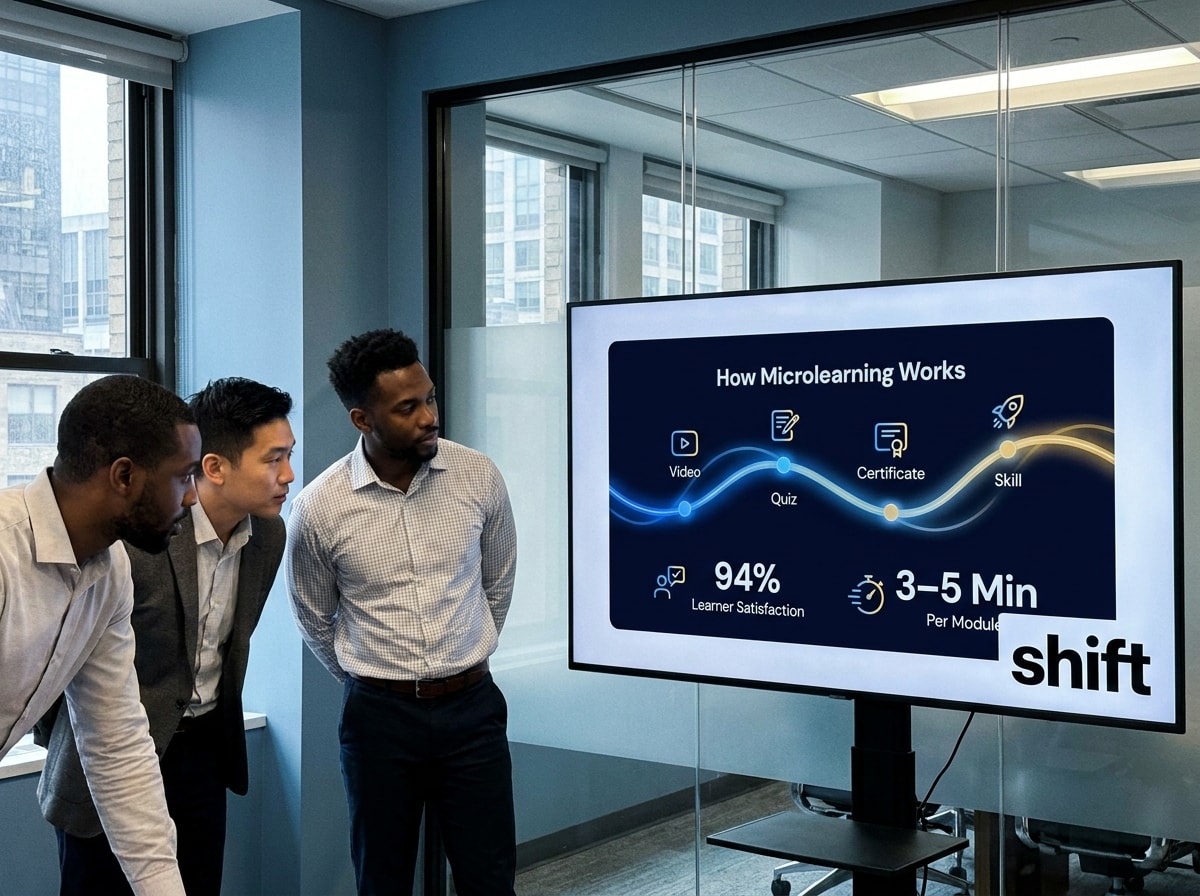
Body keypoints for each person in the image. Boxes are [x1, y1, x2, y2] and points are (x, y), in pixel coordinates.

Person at [39, 377, 296, 896]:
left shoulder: (268, 536)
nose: (288, 476)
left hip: (201, 755)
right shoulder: (139, 532)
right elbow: (66, 660)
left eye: (289, 456)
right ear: (214, 467)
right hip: (109, 757)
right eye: (273, 459)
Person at [286, 328, 518, 896]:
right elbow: (315, 619)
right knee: (382, 881)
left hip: (472, 710)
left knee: (489, 880)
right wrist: (375, 679)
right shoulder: (319, 508)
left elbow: (498, 581)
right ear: (362, 420)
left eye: (430, 398)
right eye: (407, 407)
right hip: (379, 722)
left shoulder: (477, 475)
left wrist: (463, 658)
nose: (428, 417)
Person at [2, 374, 198, 896]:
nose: (194, 497)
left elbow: (116, 745)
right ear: (125, 476)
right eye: (183, 477)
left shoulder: (110, 570)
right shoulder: (4, 554)